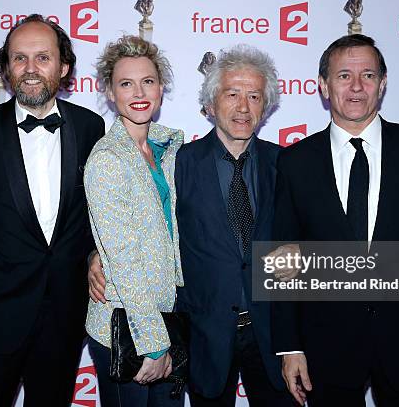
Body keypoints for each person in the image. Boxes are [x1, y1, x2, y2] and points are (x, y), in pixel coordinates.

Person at [90, 44, 294, 406]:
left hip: (270, 337)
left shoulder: (287, 166)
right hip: (201, 336)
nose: (243, 107)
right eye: (232, 94)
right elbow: (124, 230)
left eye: (254, 96)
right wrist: (95, 254)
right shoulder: (182, 163)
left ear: (267, 106)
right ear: (211, 103)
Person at [271, 34, 399, 407]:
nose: (356, 87)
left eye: (368, 75)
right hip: (327, 349)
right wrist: (289, 346)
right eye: (344, 76)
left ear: (383, 83)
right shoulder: (296, 162)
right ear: (324, 86)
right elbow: (284, 259)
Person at [0, 14, 105, 407]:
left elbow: (97, 215)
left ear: (63, 68)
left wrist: (93, 256)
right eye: (19, 59)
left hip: (64, 317)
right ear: (5, 68)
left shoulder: (90, 127)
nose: (30, 70)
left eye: (42, 58)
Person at [83, 35, 184, 407]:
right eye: (126, 83)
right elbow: (123, 260)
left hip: (167, 317)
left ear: (161, 88)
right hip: (126, 328)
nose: (138, 92)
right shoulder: (108, 159)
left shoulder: (168, 148)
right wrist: (154, 343)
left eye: (148, 81)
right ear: (110, 93)